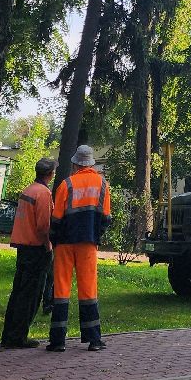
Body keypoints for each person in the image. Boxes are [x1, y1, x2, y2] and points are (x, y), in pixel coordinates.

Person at [49, 145, 112, 352]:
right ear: (91, 163)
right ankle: (93, 339)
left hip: (65, 244)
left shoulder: (66, 184)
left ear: (76, 164)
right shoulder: (102, 184)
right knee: (88, 290)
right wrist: (96, 234)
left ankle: (58, 341)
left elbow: (56, 218)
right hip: (88, 244)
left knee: (61, 290)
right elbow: (106, 218)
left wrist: (54, 239)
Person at [0, 157, 57, 349]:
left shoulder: (28, 190)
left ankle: (9, 334)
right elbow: (43, 226)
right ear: (50, 174)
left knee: (18, 292)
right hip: (37, 248)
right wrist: (49, 246)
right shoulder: (44, 194)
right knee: (31, 295)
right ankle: (19, 337)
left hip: (23, 246)